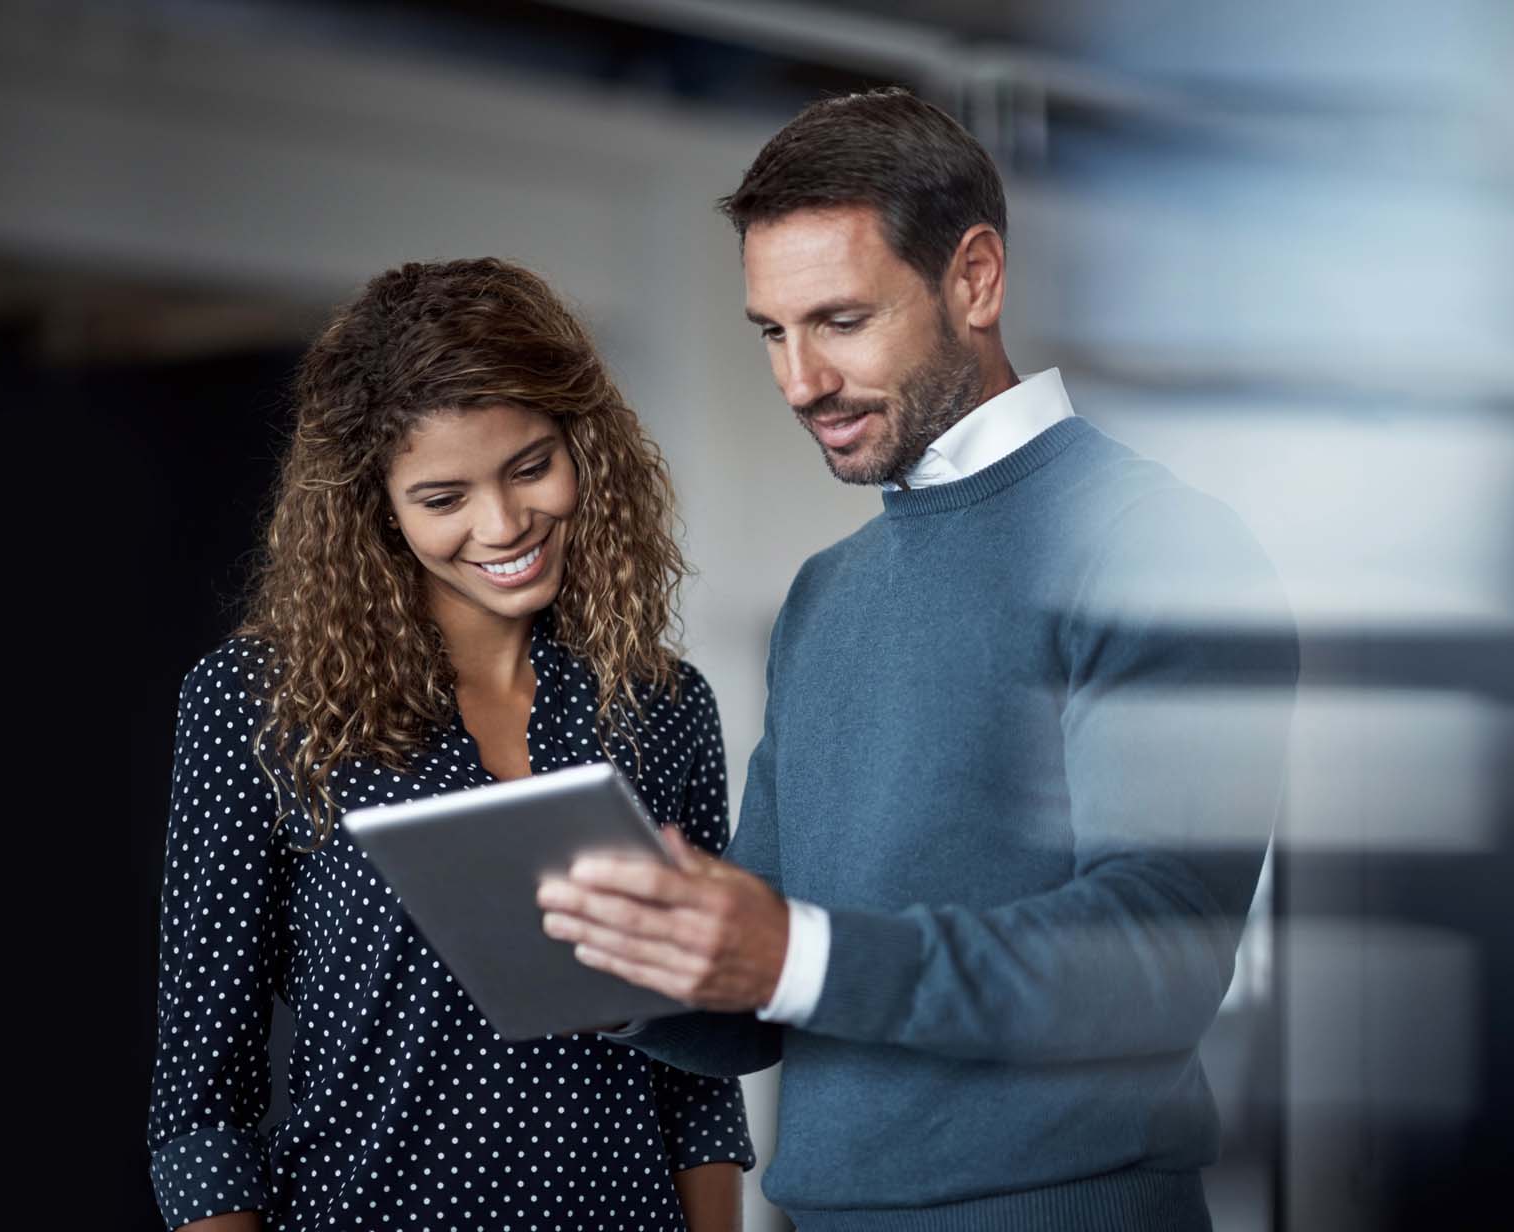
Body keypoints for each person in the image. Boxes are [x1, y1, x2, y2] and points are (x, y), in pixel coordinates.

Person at [537, 89, 1298, 1230]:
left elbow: (1156, 957)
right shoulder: (823, 596)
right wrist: (615, 958)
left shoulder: (1157, 545)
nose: (800, 381)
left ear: (975, 278)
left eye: (840, 320)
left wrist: (794, 951)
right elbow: (763, 990)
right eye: (771, 332)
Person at [147, 258, 753, 1231]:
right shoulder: (257, 701)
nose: (504, 525)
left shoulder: (663, 704)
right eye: (442, 497)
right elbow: (198, 1106)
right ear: (372, 505)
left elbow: (698, 1083)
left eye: (529, 467)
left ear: (583, 442)